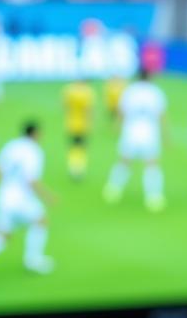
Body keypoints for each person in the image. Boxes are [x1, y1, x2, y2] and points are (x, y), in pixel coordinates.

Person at [0, 120, 56, 279]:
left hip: (4, 198)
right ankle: (33, 260)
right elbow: (31, 180)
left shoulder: (11, 145)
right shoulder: (33, 151)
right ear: (34, 133)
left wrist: (7, 186)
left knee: (2, 236)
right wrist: (47, 196)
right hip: (22, 199)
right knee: (41, 221)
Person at [102, 66, 168, 211]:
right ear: (150, 76)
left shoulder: (130, 90)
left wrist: (117, 126)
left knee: (124, 161)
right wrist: (165, 135)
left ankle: (113, 190)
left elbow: (121, 110)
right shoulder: (156, 92)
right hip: (150, 132)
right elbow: (161, 115)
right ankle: (154, 197)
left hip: (130, 131)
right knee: (152, 165)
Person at [62, 78, 96, 180]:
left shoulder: (69, 90)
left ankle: (72, 167)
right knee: (82, 147)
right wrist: (91, 122)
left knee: (73, 146)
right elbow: (89, 109)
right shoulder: (87, 92)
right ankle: (79, 168)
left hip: (71, 123)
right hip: (83, 124)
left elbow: (64, 105)